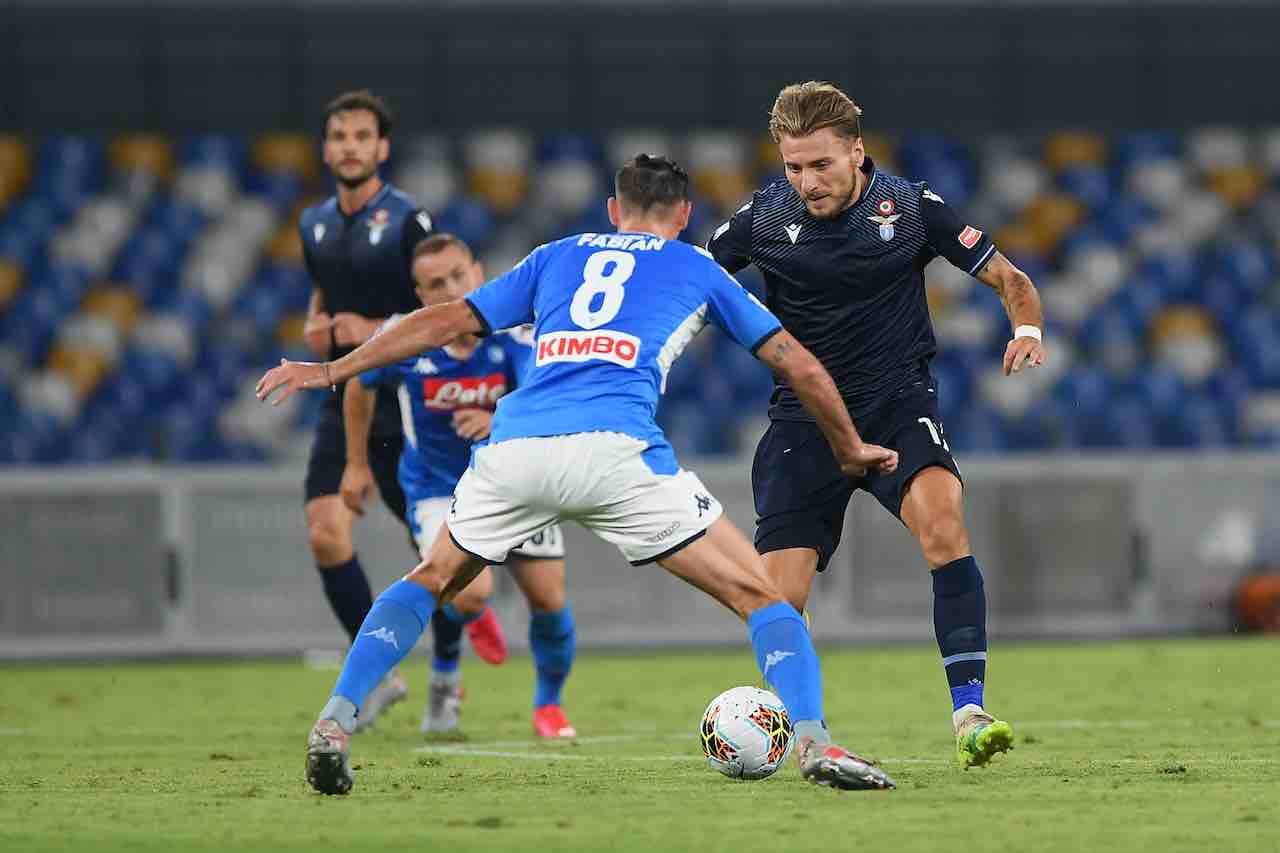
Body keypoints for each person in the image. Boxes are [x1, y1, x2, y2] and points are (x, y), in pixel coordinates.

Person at [258, 154, 902, 796]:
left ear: (614, 212)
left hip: (517, 449)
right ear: (684, 215)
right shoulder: (697, 267)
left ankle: (335, 722)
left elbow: (445, 320)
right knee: (760, 597)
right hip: (616, 452)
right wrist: (849, 448)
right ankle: (816, 741)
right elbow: (801, 366)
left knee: (429, 580)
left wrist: (329, 371)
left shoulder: (555, 254)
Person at [707, 81, 1048, 768]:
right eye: (793, 167)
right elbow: (685, 276)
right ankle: (808, 738)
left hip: (896, 403)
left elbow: (1011, 277)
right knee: (777, 599)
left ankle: (970, 712)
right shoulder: (762, 220)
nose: (807, 181)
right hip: (802, 421)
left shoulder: (913, 210)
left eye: (821, 165)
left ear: (856, 151)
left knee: (944, 522)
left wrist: (1028, 326)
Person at [298, 89, 505, 729]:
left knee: (439, 557)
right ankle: (380, 672)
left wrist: (370, 326)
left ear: (381, 148)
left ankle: (445, 673)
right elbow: (324, 288)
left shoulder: (409, 220)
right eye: (339, 137)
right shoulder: (313, 224)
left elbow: (436, 307)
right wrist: (316, 324)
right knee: (325, 531)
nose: (350, 147)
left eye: (362, 136)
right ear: (328, 147)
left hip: (413, 402)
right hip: (352, 398)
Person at [340, 233, 578, 738]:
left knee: (551, 601)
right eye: (435, 284)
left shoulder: (514, 332)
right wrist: (356, 465)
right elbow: (358, 387)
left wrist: (498, 417)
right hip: (435, 490)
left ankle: (548, 705)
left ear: (477, 270)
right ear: (420, 294)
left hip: (515, 480)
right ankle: (473, 618)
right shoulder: (403, 337)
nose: (450, 288)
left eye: (457, 275)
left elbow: (546, 394)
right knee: (469, 594)